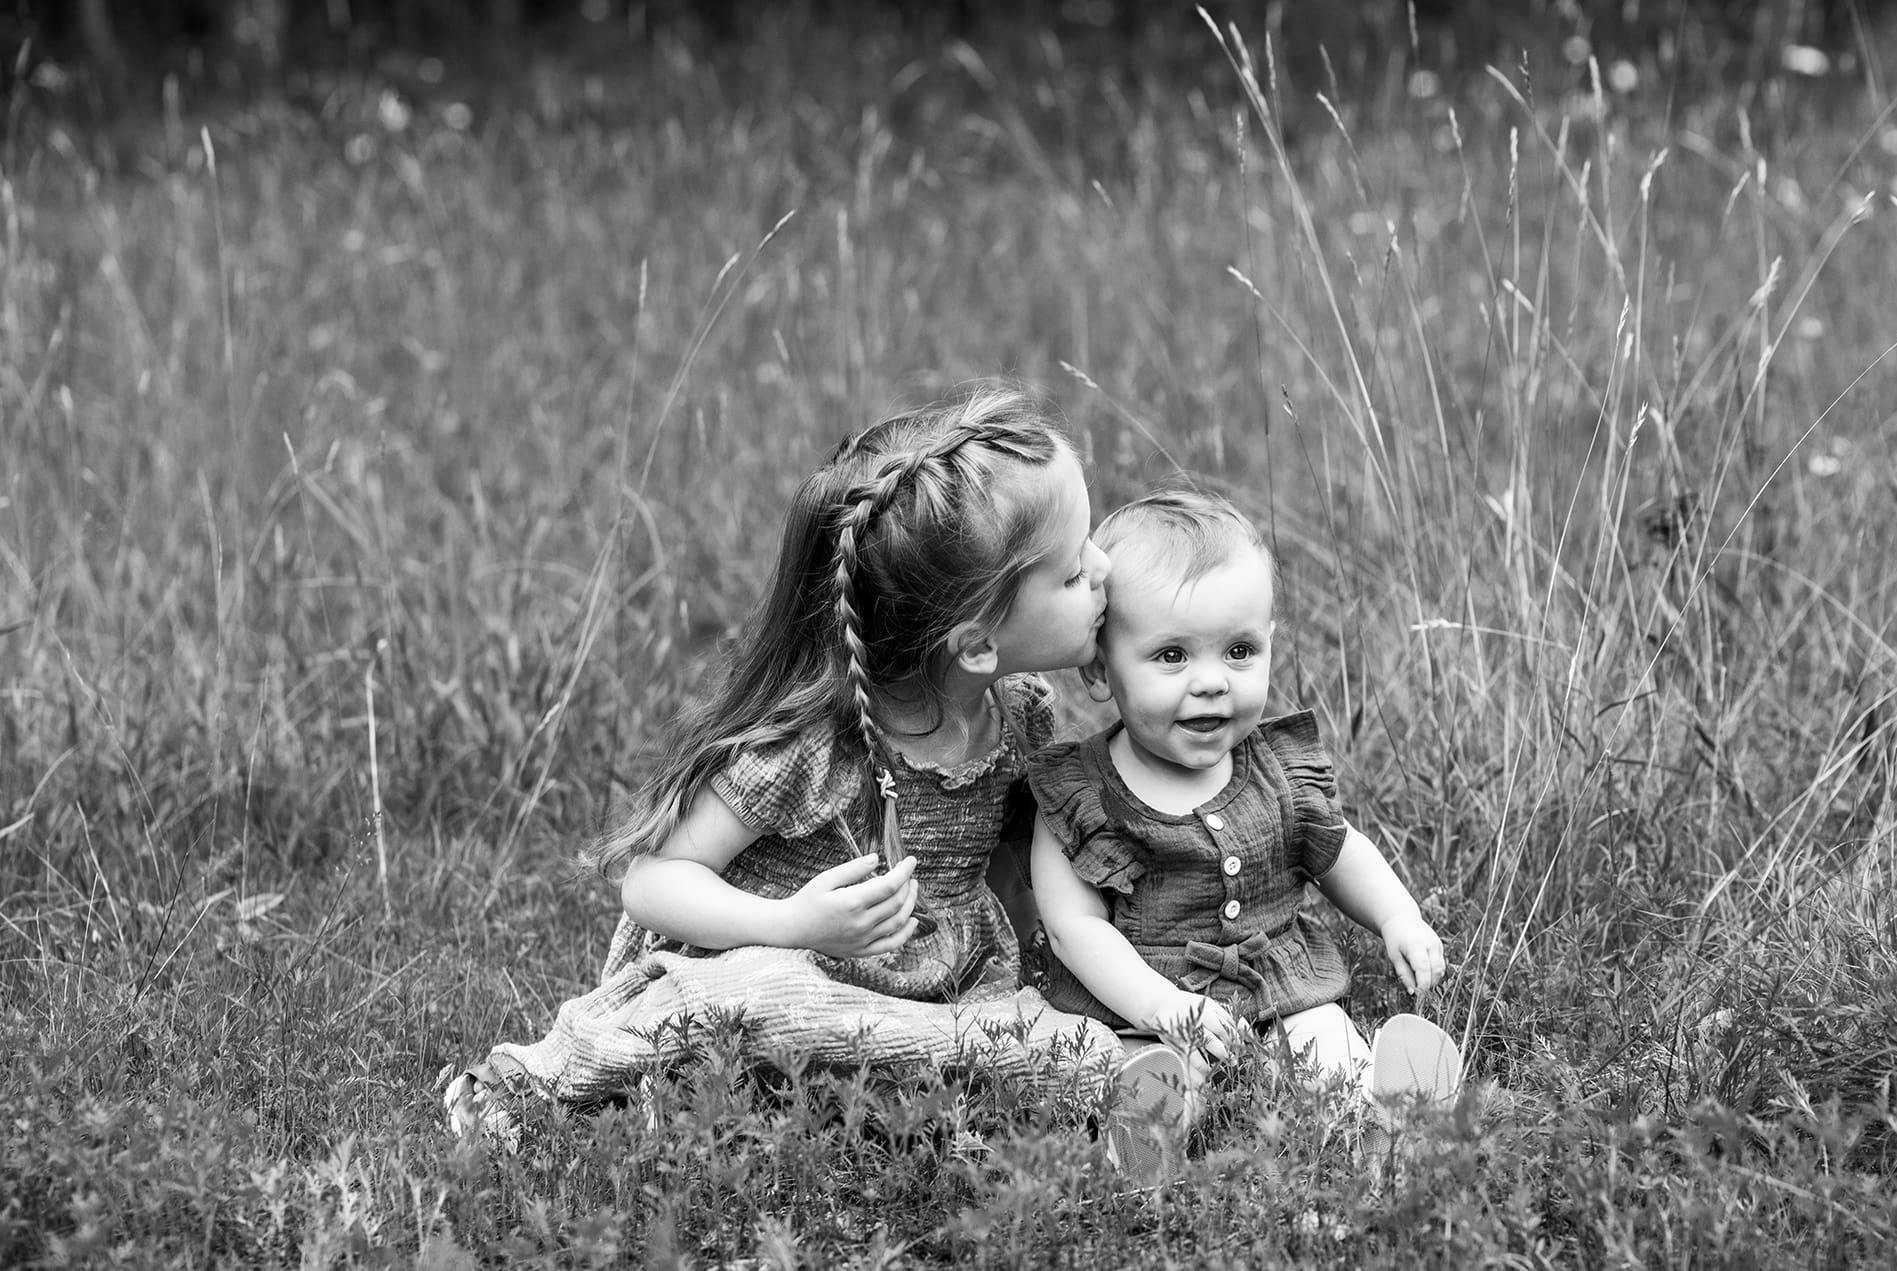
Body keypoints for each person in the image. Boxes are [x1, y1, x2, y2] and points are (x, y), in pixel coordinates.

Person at [445, 383, 1129, 1143]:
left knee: (1057, 1039)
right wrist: (791, 923)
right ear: (976, 645)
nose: (1105, 568)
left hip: (937, 996)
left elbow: (1027, 865)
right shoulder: (810, 748)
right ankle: (534, 1085)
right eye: (1074, 572)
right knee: (769, 1000)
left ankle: (1024, 1088)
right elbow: (650, 881)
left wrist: (1132, 684)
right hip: (782, 967)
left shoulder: (1019, 715)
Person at [1027, 488, 1455, 1165]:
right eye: (1172, 656)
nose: (1212, 682)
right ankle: (1146, 1140)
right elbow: (1072, 928)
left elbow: (1340, 851)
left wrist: (1398, 916)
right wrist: (1162, 1006)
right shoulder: (1080, 794)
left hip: (1279, 992)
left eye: (1239, 650)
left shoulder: (1279, 770)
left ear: (1270, 645)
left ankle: (1384, 1117)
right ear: (1100, 671)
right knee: (1159, 1073)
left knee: (1324, 1044)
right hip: (1147, 1009)